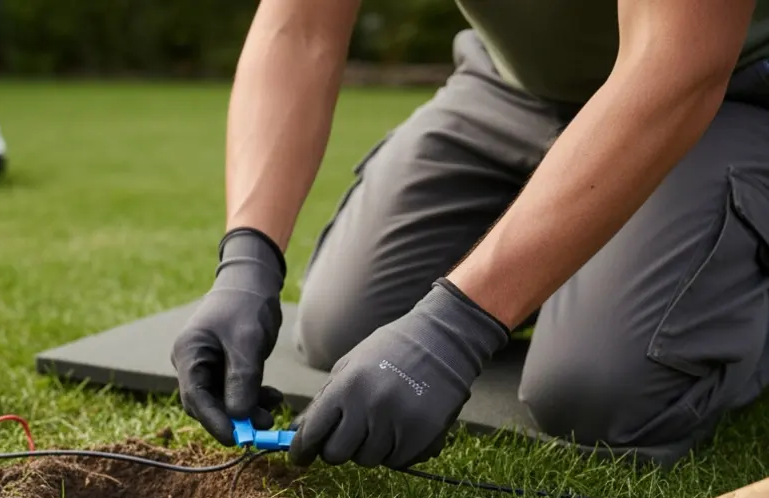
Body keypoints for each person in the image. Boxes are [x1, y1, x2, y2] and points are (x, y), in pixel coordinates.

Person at [172, 0, 769, 470]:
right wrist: (247, 259)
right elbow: (298, 28)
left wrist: (456, 328)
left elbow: (677, 61)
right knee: (340, 330)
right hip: (509, 88)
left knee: (595, 393)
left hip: (721, 92)